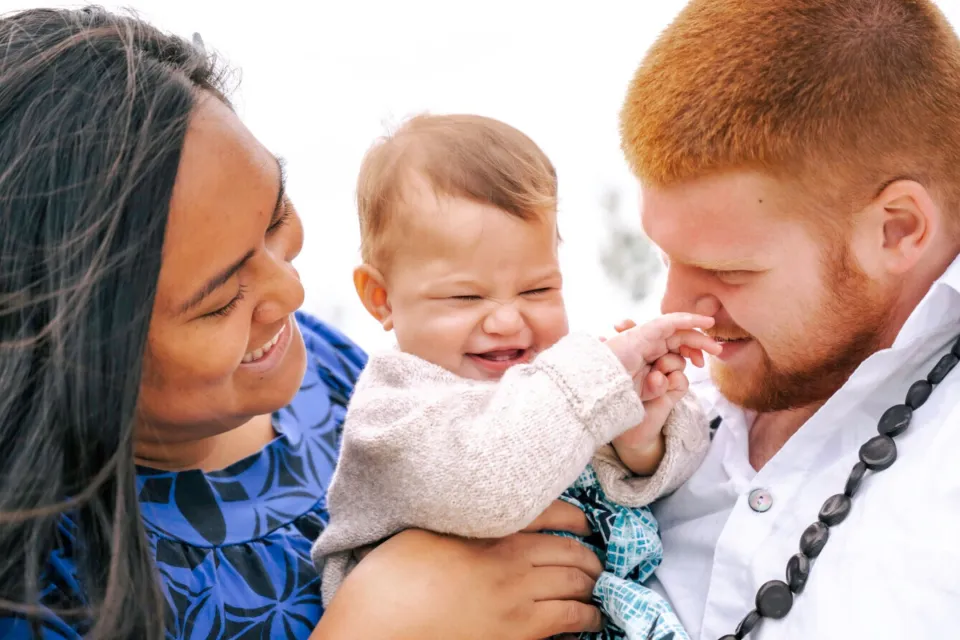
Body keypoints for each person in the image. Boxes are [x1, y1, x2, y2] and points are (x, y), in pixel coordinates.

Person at [0, 7, 610, 639]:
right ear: (70, 354)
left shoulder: (328, 370)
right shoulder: (42, 590)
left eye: (274, 217)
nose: (289, 291)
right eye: (220, 301)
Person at [618, 0, 960, 638]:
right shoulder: (655, 412)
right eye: (664, 256)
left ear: (898, 229)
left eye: (731, 271)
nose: (675, 307)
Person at [309, 114, 721, 640]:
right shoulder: (391, 413)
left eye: (537, 291)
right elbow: (490, 485)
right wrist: (599, 377)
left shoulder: (558, 384)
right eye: (465, 297)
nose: (507, 320)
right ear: (381, 298)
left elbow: (677, 474)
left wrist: (639, 440)